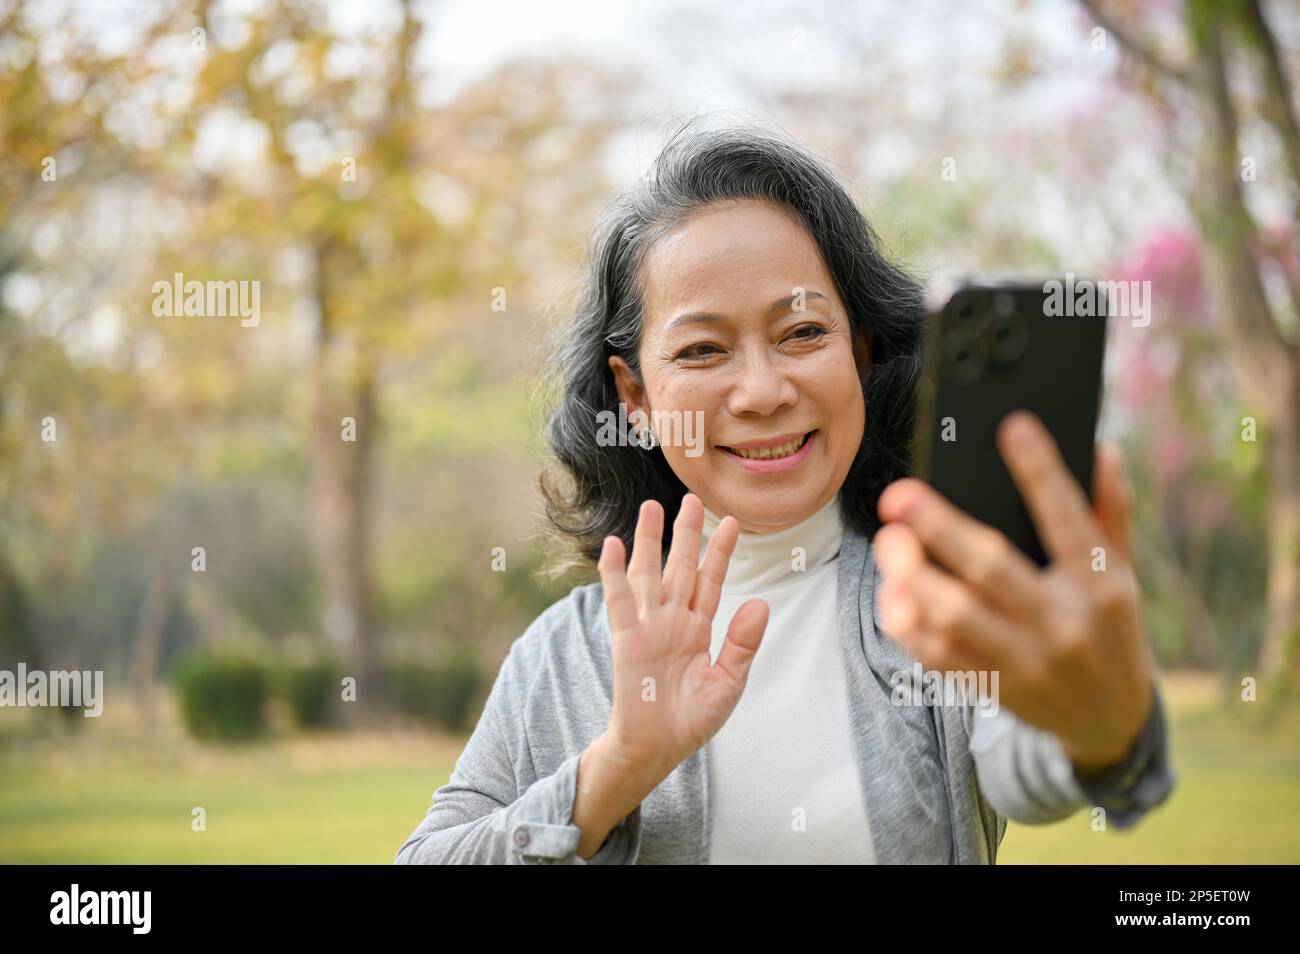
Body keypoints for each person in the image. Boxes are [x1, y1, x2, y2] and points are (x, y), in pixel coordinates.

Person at [394, 121, 1174, 864]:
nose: (763, 391)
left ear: (861, 349)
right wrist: (614, 770)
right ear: (634, 396)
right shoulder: (564, 654)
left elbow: (1033, 768)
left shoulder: (936, 601)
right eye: (702, 349)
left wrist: (1101, 723)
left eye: (803, 333)